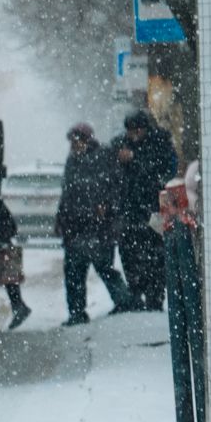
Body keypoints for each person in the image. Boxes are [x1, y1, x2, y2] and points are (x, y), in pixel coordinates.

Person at [55, 122, 135, 325]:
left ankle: (123, 302)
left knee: (104, 268)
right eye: (72, 142)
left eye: (77, 141)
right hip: (76, 228)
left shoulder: (103, 157)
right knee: (74, 273)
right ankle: (77, 313)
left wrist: (106, 207)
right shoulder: (73, 161)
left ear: (86, 140)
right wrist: (61, 219)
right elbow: (67, 193)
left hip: (98, 228)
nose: (74, 145)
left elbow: (115, 186)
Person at [112, 109, 177, 311]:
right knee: (130, 254)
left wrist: (136, 159)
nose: (133, 134)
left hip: (154, 209)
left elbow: (160, 172)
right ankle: (136, 293)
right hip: (131, 211)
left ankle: (154, 297)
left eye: (136, 130)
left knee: (155, 257)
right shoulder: (122, 145)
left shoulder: (160, 145)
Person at [0, 190, 32, 329]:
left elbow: (9, 227)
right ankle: (18, 306)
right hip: (1, 244)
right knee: (8, 277)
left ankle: (19, 306)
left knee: (6, 276)